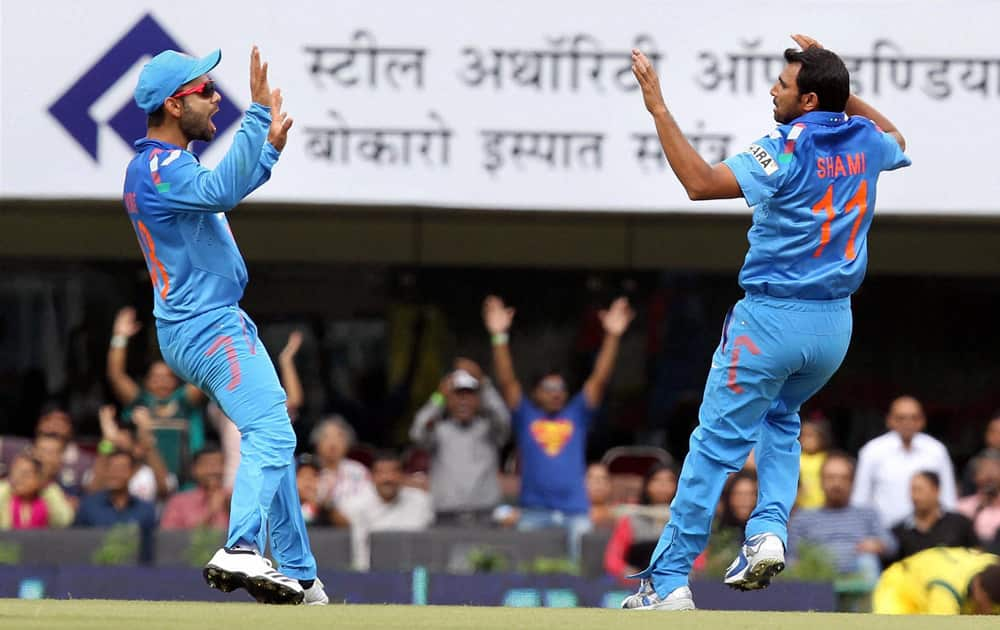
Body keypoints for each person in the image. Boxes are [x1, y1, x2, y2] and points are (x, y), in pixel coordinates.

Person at [623, 33, 910, 611]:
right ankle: (768, 532)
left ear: (807, 101)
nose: (772, 91)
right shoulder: (864, 139)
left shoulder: (784, 145)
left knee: (711, 447)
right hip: (833, 330)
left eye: (783, 85)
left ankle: (669, 578)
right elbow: (899, 138)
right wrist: (842, 94)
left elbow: (700, 184)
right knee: (781, 418)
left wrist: (657, 106)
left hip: (771, 320)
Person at [124, 46, 323, 604]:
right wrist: (258, 118)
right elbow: (221, 193)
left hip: (204, 323)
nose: (218, 100)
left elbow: (217, 197)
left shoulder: (162, 168)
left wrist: (268, 155)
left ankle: (298, 573)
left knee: (272, 433)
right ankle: (239, 547)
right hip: (207, 325)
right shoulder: (161, 166)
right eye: (206, 91)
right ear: (173, 103)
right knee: (272, 432)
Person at [483, 294, 634, 561]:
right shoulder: (525, 414)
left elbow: (599, 379)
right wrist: (499, 337)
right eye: (549, 388)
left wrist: (612, 336)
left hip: (576, 512)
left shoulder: (576, 413)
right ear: (535, 392)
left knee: (582, 580)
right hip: (533, 513)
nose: (556, 393)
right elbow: (507, 382)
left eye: (560, 389)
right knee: (527, 579)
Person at [107, 306, 207, 479]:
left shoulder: (184, 401)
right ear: (146, 382)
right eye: (155, 377)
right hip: (142, 486)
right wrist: (120, 337)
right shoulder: (140, 400)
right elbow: (116, 375)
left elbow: (204, 374)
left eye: (167, 377)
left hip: (185, 483)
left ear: (177, 380)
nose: (161, 382)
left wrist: (202, 331)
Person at [409, 359, 510, 525]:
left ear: (478, 399)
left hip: (485, 515)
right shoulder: (439, 432)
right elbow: (417, 432)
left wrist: (484, 383)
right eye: (457, 395)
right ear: (448, 400)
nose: (463, 401)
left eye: (469, 395)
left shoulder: (490, 430)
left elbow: (503, 418)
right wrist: (438, 397)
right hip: (446, 516)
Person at [787, 452, 895, 583]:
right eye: (831, 478)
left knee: (868, 561)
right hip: (818, 577)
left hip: (858, 576)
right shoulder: (803, 517)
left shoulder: (868, 513)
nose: (837, 484)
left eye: (843, 478)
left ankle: (866, 603)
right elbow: (791, 557)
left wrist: (878, 545)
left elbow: (892, 545)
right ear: (821, 481)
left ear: (853, 482)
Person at [852, 396, 958, 528]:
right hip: (885, 534)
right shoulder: (872, 451)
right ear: (889, 420)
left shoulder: (937, 450)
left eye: (914, 418)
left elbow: (947, 496)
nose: (908, 423)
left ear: (922, 421)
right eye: (901, 418)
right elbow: (860, 498)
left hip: (929, 532)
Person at [342, 451, 433, 571]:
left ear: (402, 475)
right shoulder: (355, 504)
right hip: (372, 573)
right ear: (372, 477)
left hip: (413, 572)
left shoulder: (421, 501)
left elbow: (427, 545)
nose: (388, 478)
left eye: (393, 472)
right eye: (381, 473)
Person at [73, 450, 158, 563]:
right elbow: (75, 543)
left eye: (121, 468)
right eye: (111, 468)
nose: (115, 473)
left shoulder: (146, 510)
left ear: (132, 472)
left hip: (135, 575)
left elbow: (151, 552)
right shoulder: (89, 506)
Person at [604, 463, 677, 584]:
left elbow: (697, 559)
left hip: (674, 583)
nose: (663, 485)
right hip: (636, 583)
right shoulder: (632, 518)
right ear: (647, 485)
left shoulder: (684, 521)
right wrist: (628, 572)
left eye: (669, 481)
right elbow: (613, 557)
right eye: (657, 480)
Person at [873, 547, 1000, 615]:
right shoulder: (946, 592)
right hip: (900, 588)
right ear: (980, 593)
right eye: (991, 604)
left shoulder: (994, 562)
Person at [890, 471, 977, 562]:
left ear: (936, 490)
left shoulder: (960, 524)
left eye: (919, 490)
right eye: (912, 490)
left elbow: (976, 555)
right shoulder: (899, 531)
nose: (915, 496)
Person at [312, 416, 375, 525]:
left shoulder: (358, 471)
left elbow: (368, 506)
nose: (332, 443)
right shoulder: (307, 470)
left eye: (339, 437)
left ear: (347, 443)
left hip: (351, 530)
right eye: (326, 437)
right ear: (317, 443)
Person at [160, 446, 230, 530]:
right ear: (194, 470)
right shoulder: (178, 503)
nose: (214, 470)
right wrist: (210, 512)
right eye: (207, 464)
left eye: (219, 464)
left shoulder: (236, 498)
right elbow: (170, 538)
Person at [0, 452, 74, 530]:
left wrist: (48, 489)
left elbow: (64, 521)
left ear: (39, 478)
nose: (17, 478)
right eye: (14, 472)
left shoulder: (47, 497)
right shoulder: (5, 494)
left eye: (25, 474)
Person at [957, 453, 1000, 545]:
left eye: (994, 470)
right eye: (984, 470)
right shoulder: (962, 508)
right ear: (975, 477)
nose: (989, 476)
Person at [797, 417, 831, 509]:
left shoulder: (827, 459)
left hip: (823, 506)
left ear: (822, 438)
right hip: (800, 506)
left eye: (810, 436)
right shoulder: (796, 458)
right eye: (803, 435)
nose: (806, 440)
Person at [586, 462, 617, 530]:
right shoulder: (572, 517)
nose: (598, 482)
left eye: (603, 478)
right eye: (592, 478)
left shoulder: (618, 515)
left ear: (610, 485)